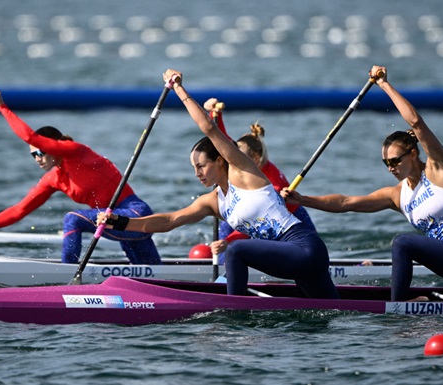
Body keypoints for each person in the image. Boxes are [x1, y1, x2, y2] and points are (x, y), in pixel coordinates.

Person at [98, 69, 339, 299]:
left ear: (220, 161)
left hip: (305, 247)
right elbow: (169, 221)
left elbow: (208, 128)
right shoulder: (212, 202)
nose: (197, 174)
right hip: (293, 261)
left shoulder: (242, 171)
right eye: (194, 168)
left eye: (201, 166)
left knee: (235, 250)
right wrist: (120, 222)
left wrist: (178, 88)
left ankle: (233, 310)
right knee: (334, 312)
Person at [282, 65, 443, 302]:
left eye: (395, 161)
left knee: (403, 242)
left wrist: (383, 84)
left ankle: (398, 306)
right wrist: (302, 199)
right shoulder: (398, 195)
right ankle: (416, 303)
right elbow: (346, 202)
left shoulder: (439, 168)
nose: (391, 168)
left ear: (413, 154)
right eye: (386, 163)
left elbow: (416, 122)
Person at [0, 89, 161, 265]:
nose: (37, 158)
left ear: (53, 147)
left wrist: (2, 106)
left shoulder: (76, 152)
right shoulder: (53, 178)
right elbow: (19, 210)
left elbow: (30, 137)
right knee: (153, 276)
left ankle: (68, 275)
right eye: (32, 155)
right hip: (112, 222)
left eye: (40, 152)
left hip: (135, 214)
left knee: (72, 219)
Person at [202, 99, 316, 264]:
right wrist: (215, 114)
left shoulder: (272, 182)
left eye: (237, 156)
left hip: (290, 222)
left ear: (254, 157)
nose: (232, 161)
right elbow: (222, 140)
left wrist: (228, 241)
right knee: (227, 226)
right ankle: (223, 268)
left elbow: (258, 221)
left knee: (231, 234)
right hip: (257, 218)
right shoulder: (246, 165)